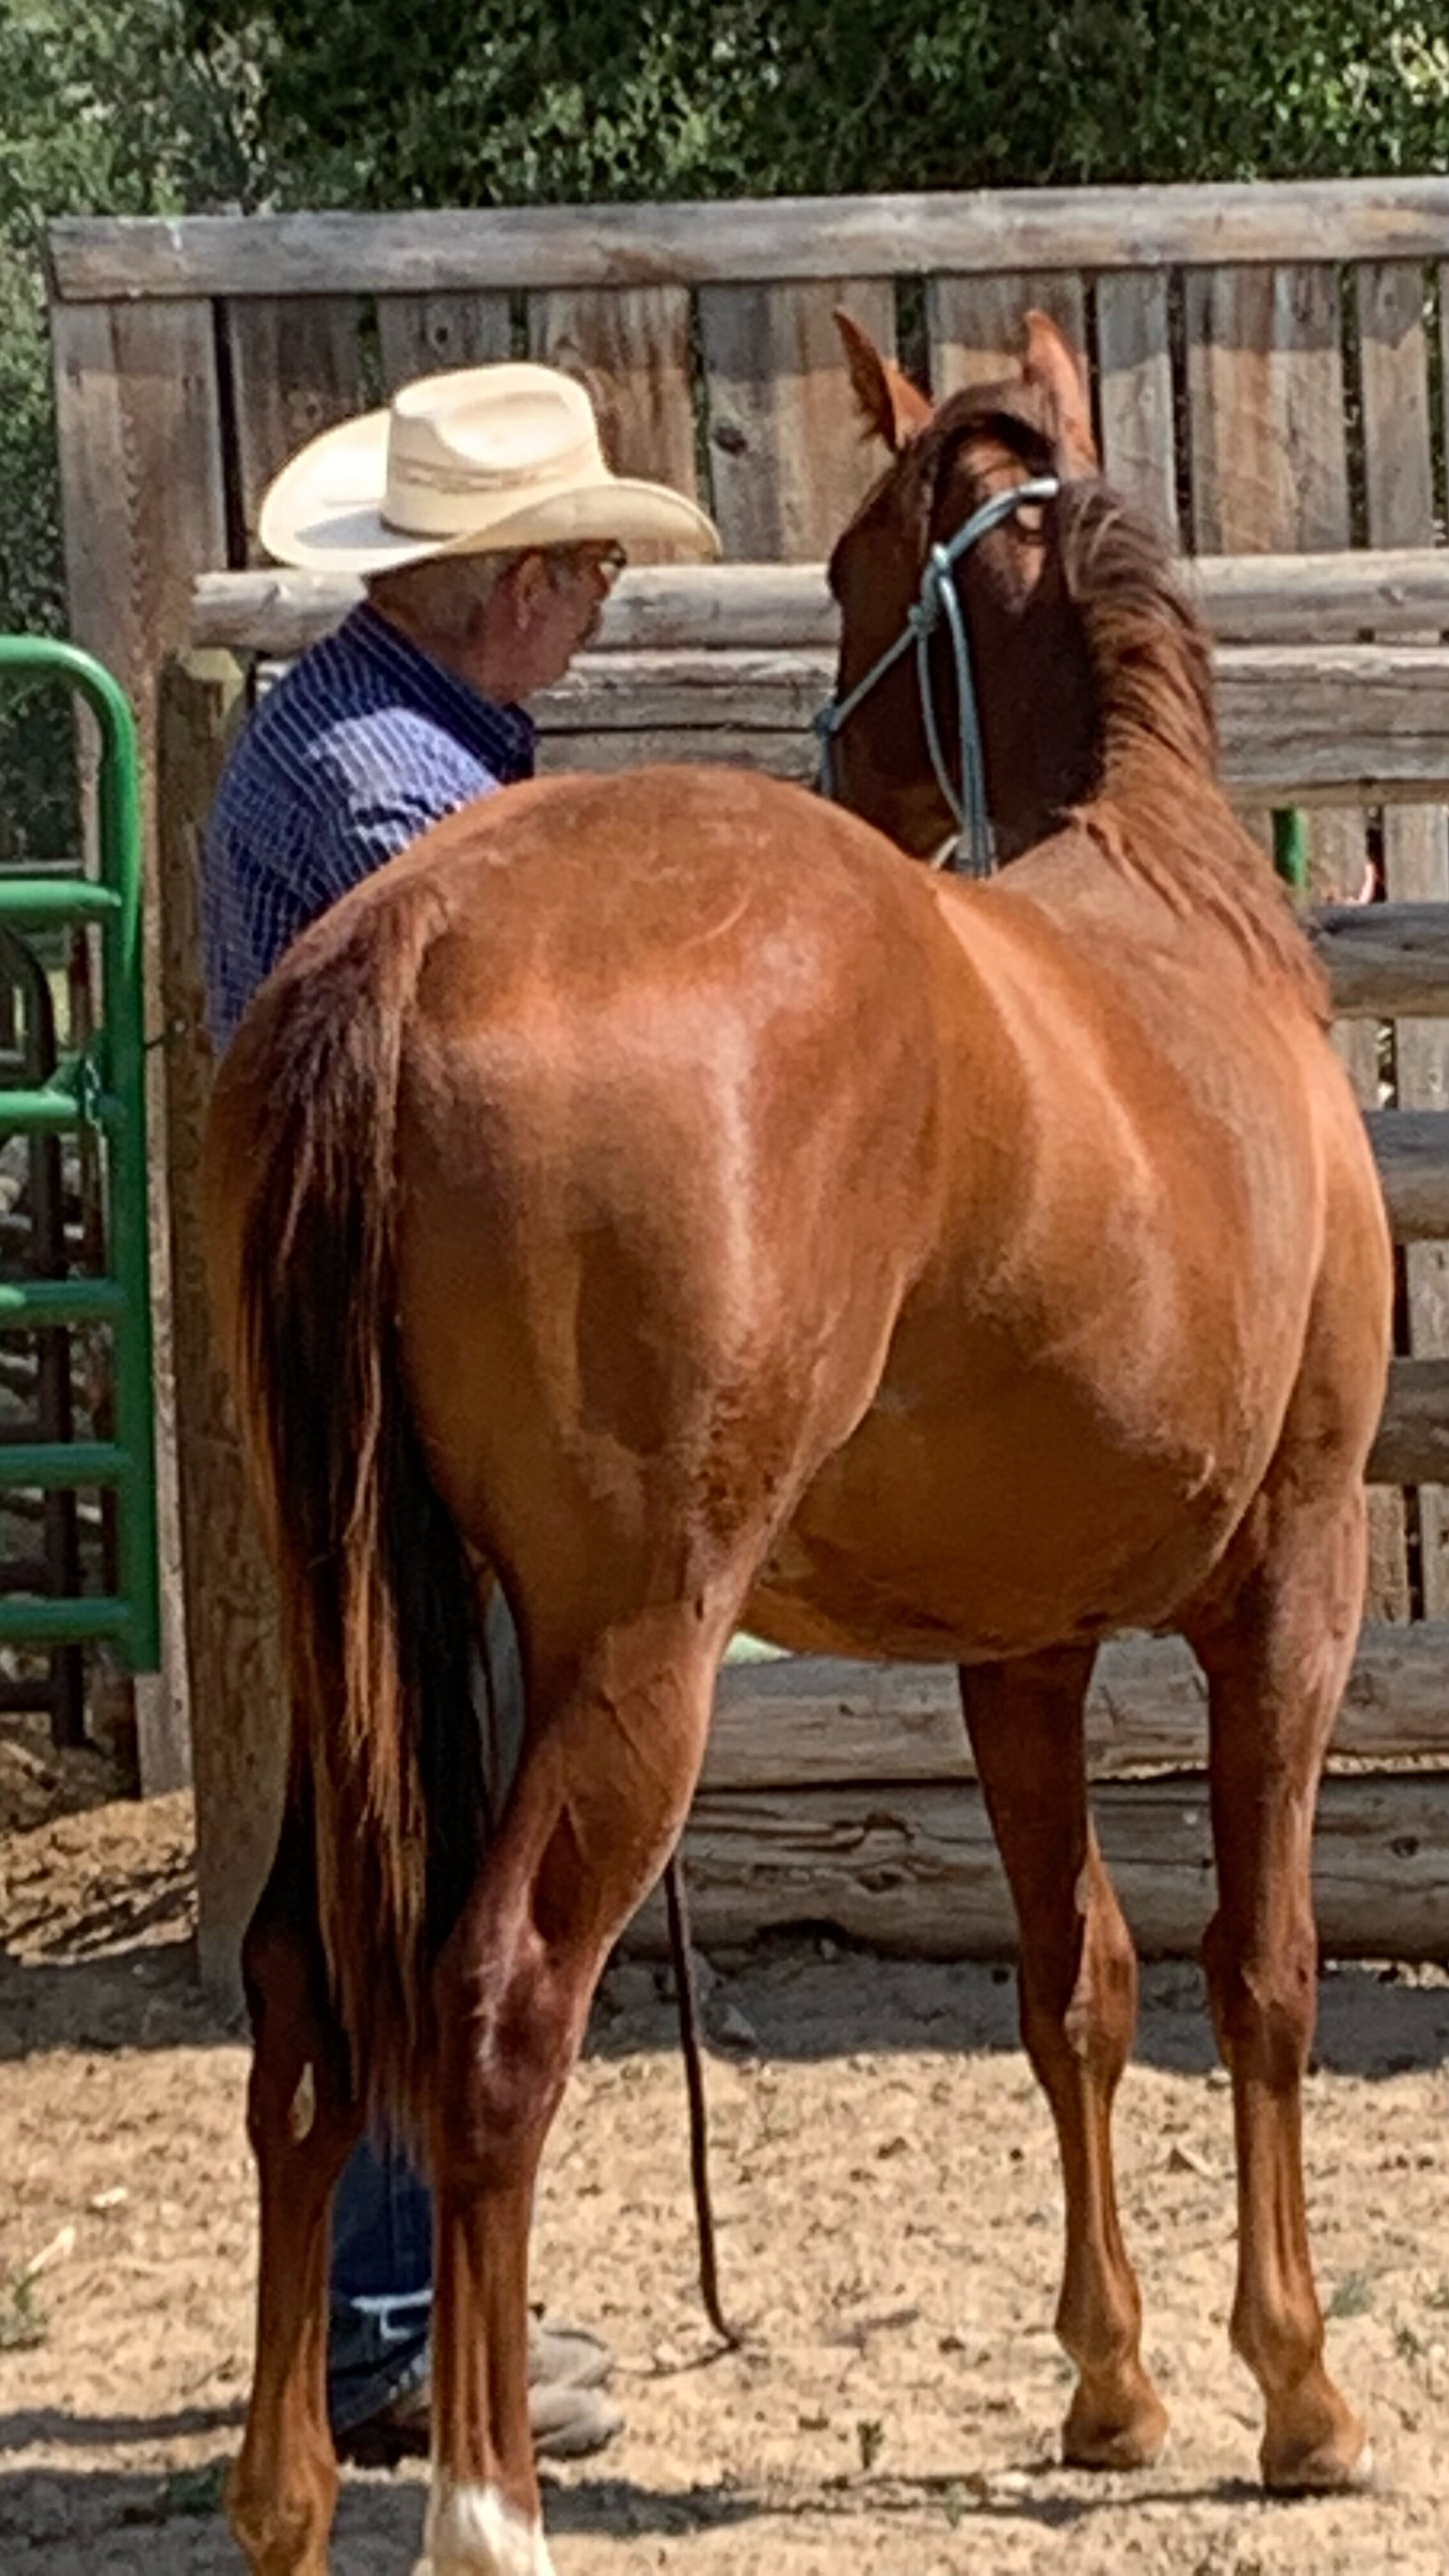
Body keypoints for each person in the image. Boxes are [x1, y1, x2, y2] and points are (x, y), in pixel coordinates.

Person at [201, 359, 721, 2462]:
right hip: (408, 1370)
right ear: (500, 584)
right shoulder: (407, 799)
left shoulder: (357, 739)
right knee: (429, 1802)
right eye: (584, 569)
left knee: (409, 1804)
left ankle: (394, 2307)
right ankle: (393, 2322)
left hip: (371, 1351)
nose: (595, 602)